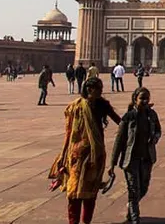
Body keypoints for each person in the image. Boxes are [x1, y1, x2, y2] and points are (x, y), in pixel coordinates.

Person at [48, 77, 121, 224]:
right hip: (76, 154)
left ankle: (86, 221)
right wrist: (64, 154)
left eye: (101, 88)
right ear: (89, 89)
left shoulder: (102, 105)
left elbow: (120, 121)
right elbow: (69, 133)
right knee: (73, 191)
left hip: (95, 154)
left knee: (91, 192)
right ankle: (73, 221)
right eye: (98, 89)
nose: (101, 91)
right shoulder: (76, 106)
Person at [109, 87, 161, 224]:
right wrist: (112, 164)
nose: (144, 101)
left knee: (143, 188)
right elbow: (119, 141)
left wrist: (155, 137)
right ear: (134, 99)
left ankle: (131, 208)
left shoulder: (152, 115)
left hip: (146, 158)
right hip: (131, 159)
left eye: (146, 98)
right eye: (141, 98)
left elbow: (158, 130)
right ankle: (134, 219)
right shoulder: (128, 117)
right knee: (133, 190)